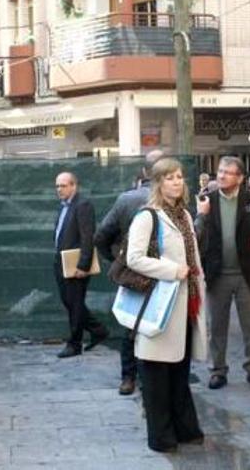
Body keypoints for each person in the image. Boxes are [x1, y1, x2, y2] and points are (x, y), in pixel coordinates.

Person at [126, 158, 208, 453]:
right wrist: (173, 270)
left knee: (179, 370)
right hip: (159, 305)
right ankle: (161, 436)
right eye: (170, 177)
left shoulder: (184, 215)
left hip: (185, 304)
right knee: (156, 374)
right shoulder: (147, 216)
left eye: (180, 176)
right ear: (158, 183)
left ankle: (185, 428)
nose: (177, 182)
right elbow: (134, 258)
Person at [194, 156, 250, 390]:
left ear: (240, 178)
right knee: (216, 326)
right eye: (220, 171)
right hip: (217, 274)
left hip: (246, 273)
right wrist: (203, 215)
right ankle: (218, 370)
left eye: (228, 172)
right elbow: (198, 237)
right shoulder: (207, 201)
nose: (222, 175)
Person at [94, 150, 166, 394]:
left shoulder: (127, 200)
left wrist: (117, 260)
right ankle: (155, 380)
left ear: (144, 172)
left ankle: (129, 378)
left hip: (134, 273)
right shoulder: (174, 201)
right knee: (162, 326)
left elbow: (101, 236)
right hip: (168, 275)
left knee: (132, 326)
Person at [53, 172, 108, 358]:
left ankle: (74, 344)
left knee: (75, 304)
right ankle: (98, 330)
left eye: (63, 185)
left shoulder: (82, 205)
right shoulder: (63, 207)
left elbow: (87, 237)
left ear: (74, 186)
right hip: (61, 262)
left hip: (76, 265)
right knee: (70, 303)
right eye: (57, 186)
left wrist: (83, 266)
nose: (59, 189)